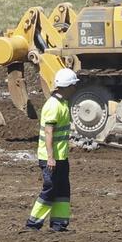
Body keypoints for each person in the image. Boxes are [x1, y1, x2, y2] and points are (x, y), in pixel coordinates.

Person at [27, 68, 78, 231]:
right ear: (67, 86)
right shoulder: (54, 106)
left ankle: (59, 223)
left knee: (62, 190)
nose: (75, 88)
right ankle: (33, 223)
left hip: (61, 157)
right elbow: (49, 132)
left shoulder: (62, 103)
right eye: (73, 85)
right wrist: (50, 157)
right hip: (51, 158)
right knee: (50, 189)